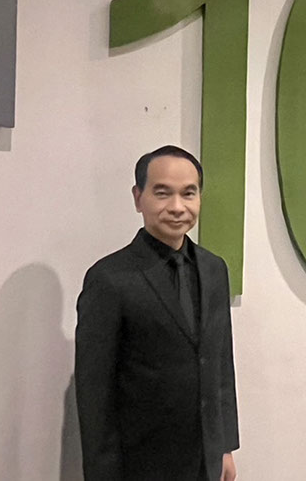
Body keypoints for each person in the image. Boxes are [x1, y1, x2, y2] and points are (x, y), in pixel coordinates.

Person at [75, 145, 239, 480]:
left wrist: (224, 447)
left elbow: (220, 364)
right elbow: (95, 394)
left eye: (188, 193)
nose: (177, 207)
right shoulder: (109, 278)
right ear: (139, 198)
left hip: (205, 461)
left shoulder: (214, 269)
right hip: (140, 466)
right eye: (162, 193)